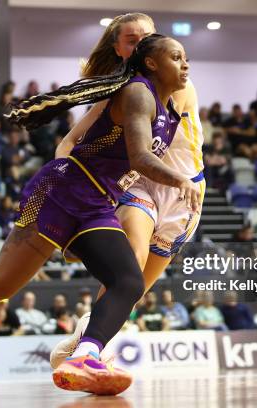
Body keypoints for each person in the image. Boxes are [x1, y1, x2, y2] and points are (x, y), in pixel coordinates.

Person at [0, 32, 195, 395]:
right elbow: (139, 158)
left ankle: (86, 356)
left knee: (129, 280)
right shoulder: (137, 92)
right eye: (176, 57)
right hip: (62, 191)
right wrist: (181, 180)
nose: (185, 63)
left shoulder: (171, 111)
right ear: (150, 62)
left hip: (97, 204)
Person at [51, 13, 205, 371]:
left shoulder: (176, 83)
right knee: (129, 266)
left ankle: (82, 343)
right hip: (142, 183)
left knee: (132, 293)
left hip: (185, 191)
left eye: (147, 39)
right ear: (122, 51)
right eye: (133, 41)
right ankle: (89, 354)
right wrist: (70, 180)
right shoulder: (128, 92)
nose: (142, 46)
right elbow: (70, 143)